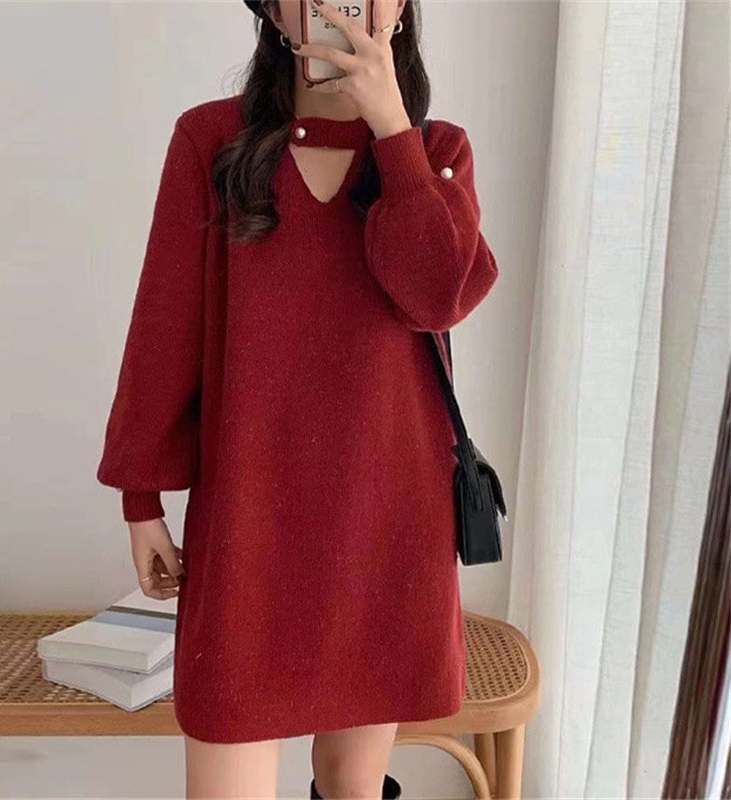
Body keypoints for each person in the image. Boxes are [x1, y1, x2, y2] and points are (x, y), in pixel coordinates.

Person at [95, 0, 499, 796]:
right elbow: (165, 328)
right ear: (274, 11)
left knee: (352, 786)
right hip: (249, 523)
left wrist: (394, 133)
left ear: (401, 8)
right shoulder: (211, 142)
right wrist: (141, 498)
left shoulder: (435, 153)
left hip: (387, 525)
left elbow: (437, 298)